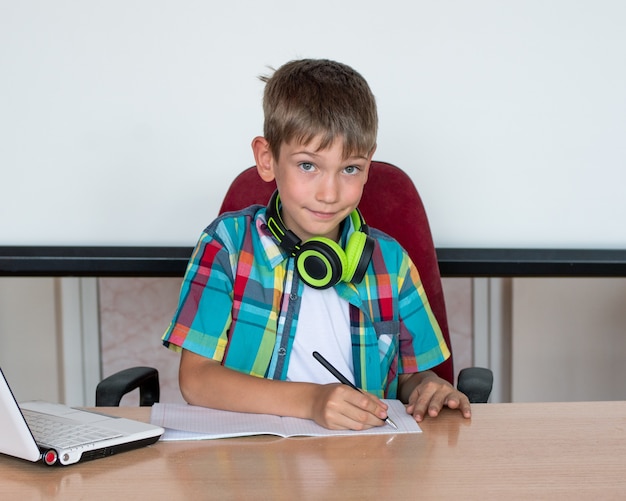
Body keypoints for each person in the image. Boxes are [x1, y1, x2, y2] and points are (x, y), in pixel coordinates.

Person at [162, 59, 471, 430]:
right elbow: (196, 381)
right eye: (308, 165)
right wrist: (311, 401)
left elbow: (412, 377)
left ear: (368, 166)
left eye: (350, 169)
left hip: (366, 464)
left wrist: (429, 387)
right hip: (251, 467)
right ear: (267, 159)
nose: (329, 193)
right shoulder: (226, 245)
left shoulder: (392, 262)